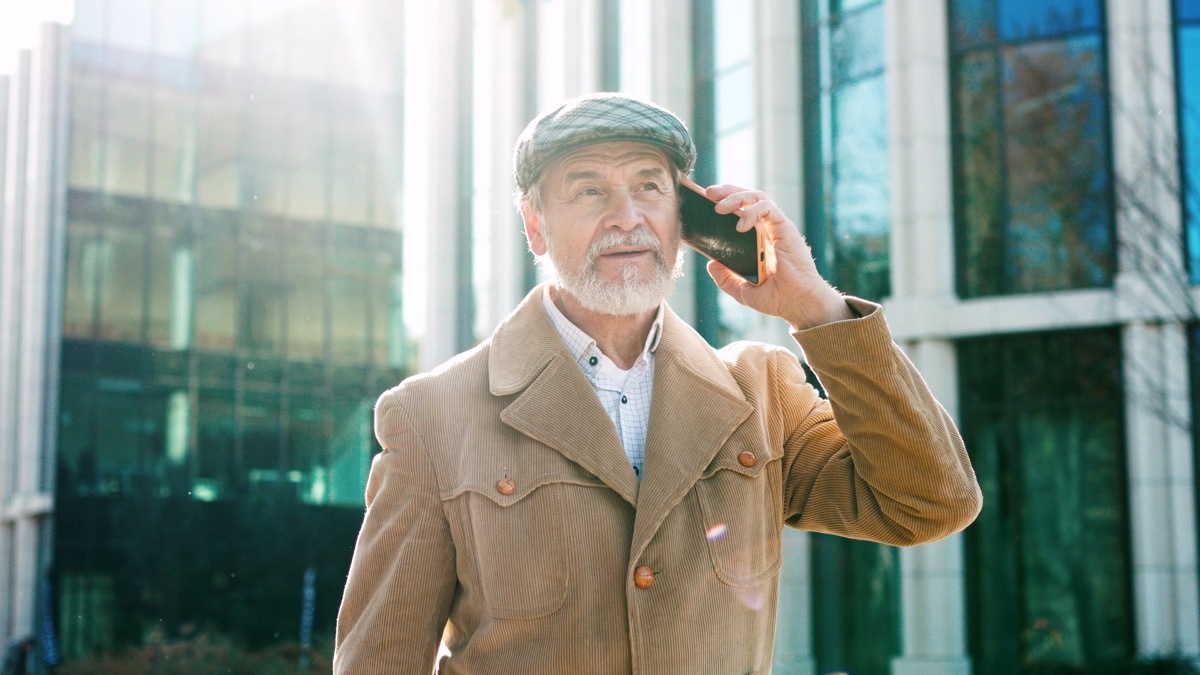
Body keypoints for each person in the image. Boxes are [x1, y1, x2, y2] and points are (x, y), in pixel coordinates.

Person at [333, 92, 982, 674]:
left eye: (649, 187)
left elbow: (928, 503)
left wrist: (817, 309)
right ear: (534, 224)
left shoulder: (761, 392)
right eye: (589, 191)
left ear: (686, 217)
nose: (627, 217)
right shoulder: (431, 414)